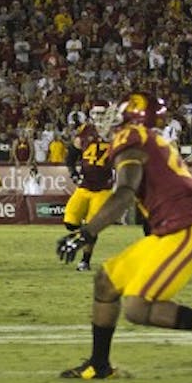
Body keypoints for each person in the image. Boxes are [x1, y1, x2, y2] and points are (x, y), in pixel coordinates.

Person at [56, 93, 192, 379]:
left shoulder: (131, 137)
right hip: (171, 229)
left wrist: (86, 233)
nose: (112, 118)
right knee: (106, 281)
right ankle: (100, 365)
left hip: (186, 229)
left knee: (137, 307)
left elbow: (124, 192)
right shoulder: (148, 139)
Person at [62, 100, 115, 271]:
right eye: (96, 114)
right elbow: (71, 156)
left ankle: (85, 261)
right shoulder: (85, 131)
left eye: (102, 114)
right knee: (70, 221)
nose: (99, 118)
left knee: (92, 227)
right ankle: (81, 238)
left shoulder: (117, 133)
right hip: (85, 185)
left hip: (103, 188)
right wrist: (74, 174)